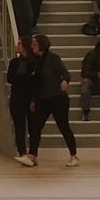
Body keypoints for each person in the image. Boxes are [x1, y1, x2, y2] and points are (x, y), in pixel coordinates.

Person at [20, 33, 76, 168]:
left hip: (57, 98)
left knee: (63, 126)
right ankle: (32, 155)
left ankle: (74, 155)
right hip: (43, 99)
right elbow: (36, 83)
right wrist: (33, 100)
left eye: (34, 43)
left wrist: (65, 81)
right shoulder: (35, 61)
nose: (32, 46)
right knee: (35, 126)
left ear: (41, 45)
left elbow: (65, 73)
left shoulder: (53, 58)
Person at [6, 36, 37, 161]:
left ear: (25, 46)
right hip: (17, 98)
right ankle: (22, 152)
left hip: (30, 98)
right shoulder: (14, 62)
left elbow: (34, 80)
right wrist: (27, 77)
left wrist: (23, 79)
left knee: (33, 127)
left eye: (19, 43)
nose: (17, 46)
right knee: (19, 127)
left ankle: (33, 153)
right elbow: (10, 78)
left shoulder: (34, 62)